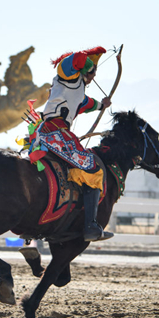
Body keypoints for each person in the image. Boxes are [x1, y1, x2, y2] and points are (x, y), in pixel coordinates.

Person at [37, 46, 116, 242]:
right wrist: (90, 58)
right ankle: (90, 226)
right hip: (55, 132)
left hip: (50, 132)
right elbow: (73, 61)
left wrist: (102, 105)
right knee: (93, 169)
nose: (93, 78)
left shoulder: (75, 88)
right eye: (93, 73)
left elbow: (84, 103)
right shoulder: (68, 76)